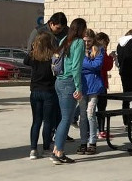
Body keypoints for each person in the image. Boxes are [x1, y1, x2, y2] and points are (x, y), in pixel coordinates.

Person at [51, 17, 86, 165]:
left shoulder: (65, 40)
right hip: (69, 82)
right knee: (66, 118)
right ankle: (58, 152)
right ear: (81, 29)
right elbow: (76, 67)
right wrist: (79, 87)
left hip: (59, 81)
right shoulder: (78, 43)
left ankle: (56, 151)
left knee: (63, 118)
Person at [24, 32, 58, 160]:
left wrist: (32, 49)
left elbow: (25, 60)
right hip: (48, 91)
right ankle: (45, 148)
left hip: (35, 91)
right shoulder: (52, 57)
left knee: (36, 121)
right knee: (47, 121)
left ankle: (33, 149)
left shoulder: (33, 56)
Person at [78, 29, 104, 155]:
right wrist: (88, 62)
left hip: (94, 85)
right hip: (82, 85)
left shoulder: (99, 50)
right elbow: (76, 65)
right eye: (85, 41)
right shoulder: (79, 50)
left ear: (93, 40)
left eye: (89, 41)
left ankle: (92, 141)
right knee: (82, 116)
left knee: (90, 113)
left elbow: (97, 66)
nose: (87, 43)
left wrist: (84, 63)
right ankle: (83, 141)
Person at [95, 32, 113, 139]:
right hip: (101, 83)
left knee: (94, 108)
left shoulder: (93, 50)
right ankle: (101, 130)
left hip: (96, 83)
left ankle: (97, 130)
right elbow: (107, 66)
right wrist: (111, 57)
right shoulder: (101, 51)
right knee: (101, 108)